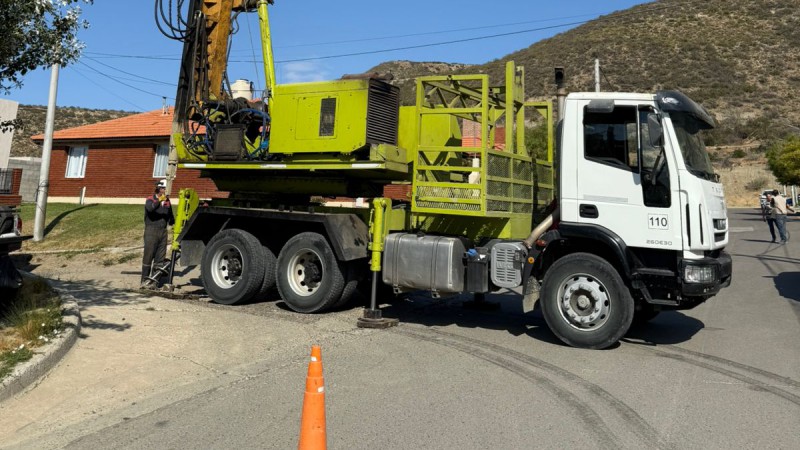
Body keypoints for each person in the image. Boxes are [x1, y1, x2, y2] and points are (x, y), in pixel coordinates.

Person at [142, 179, 175, 287]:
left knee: (160, 258)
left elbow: (171, 217)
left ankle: (154, 282)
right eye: (164, 188)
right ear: (159, 189)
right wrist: (160, 200)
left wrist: (174, 222)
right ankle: (144, 281)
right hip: (151, 230)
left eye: (166, 188)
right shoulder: (150, 199)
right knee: (148, 256)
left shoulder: (167, 201)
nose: (165, 190)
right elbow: (150, 209)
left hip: (163, 231)